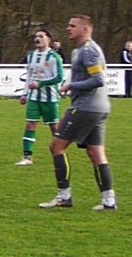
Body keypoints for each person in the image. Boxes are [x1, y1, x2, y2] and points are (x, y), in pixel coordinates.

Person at [41, 14, 114, 211]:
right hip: (99, 108)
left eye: (73, 26)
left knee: (57, 146)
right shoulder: (80, 51)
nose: (68, 28)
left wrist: (71, 85)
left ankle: (64, 196)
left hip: (85, 107)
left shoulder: (89, 51)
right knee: (96, 153)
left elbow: (98, 80)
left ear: (85, 29)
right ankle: (109, 201)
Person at [17, 29, 64, 167]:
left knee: (54, 127)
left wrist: (41, 84)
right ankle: (28, 157)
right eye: (36, 36)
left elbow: (59, 78)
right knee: (30, 125)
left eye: (41, 36)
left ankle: (60, 153)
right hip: (33, 98)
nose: (37, 39)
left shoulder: (54, 57)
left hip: (50, 98)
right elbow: (29, 77)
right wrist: (24, 94)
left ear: (48, 39)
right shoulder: (31, 56)